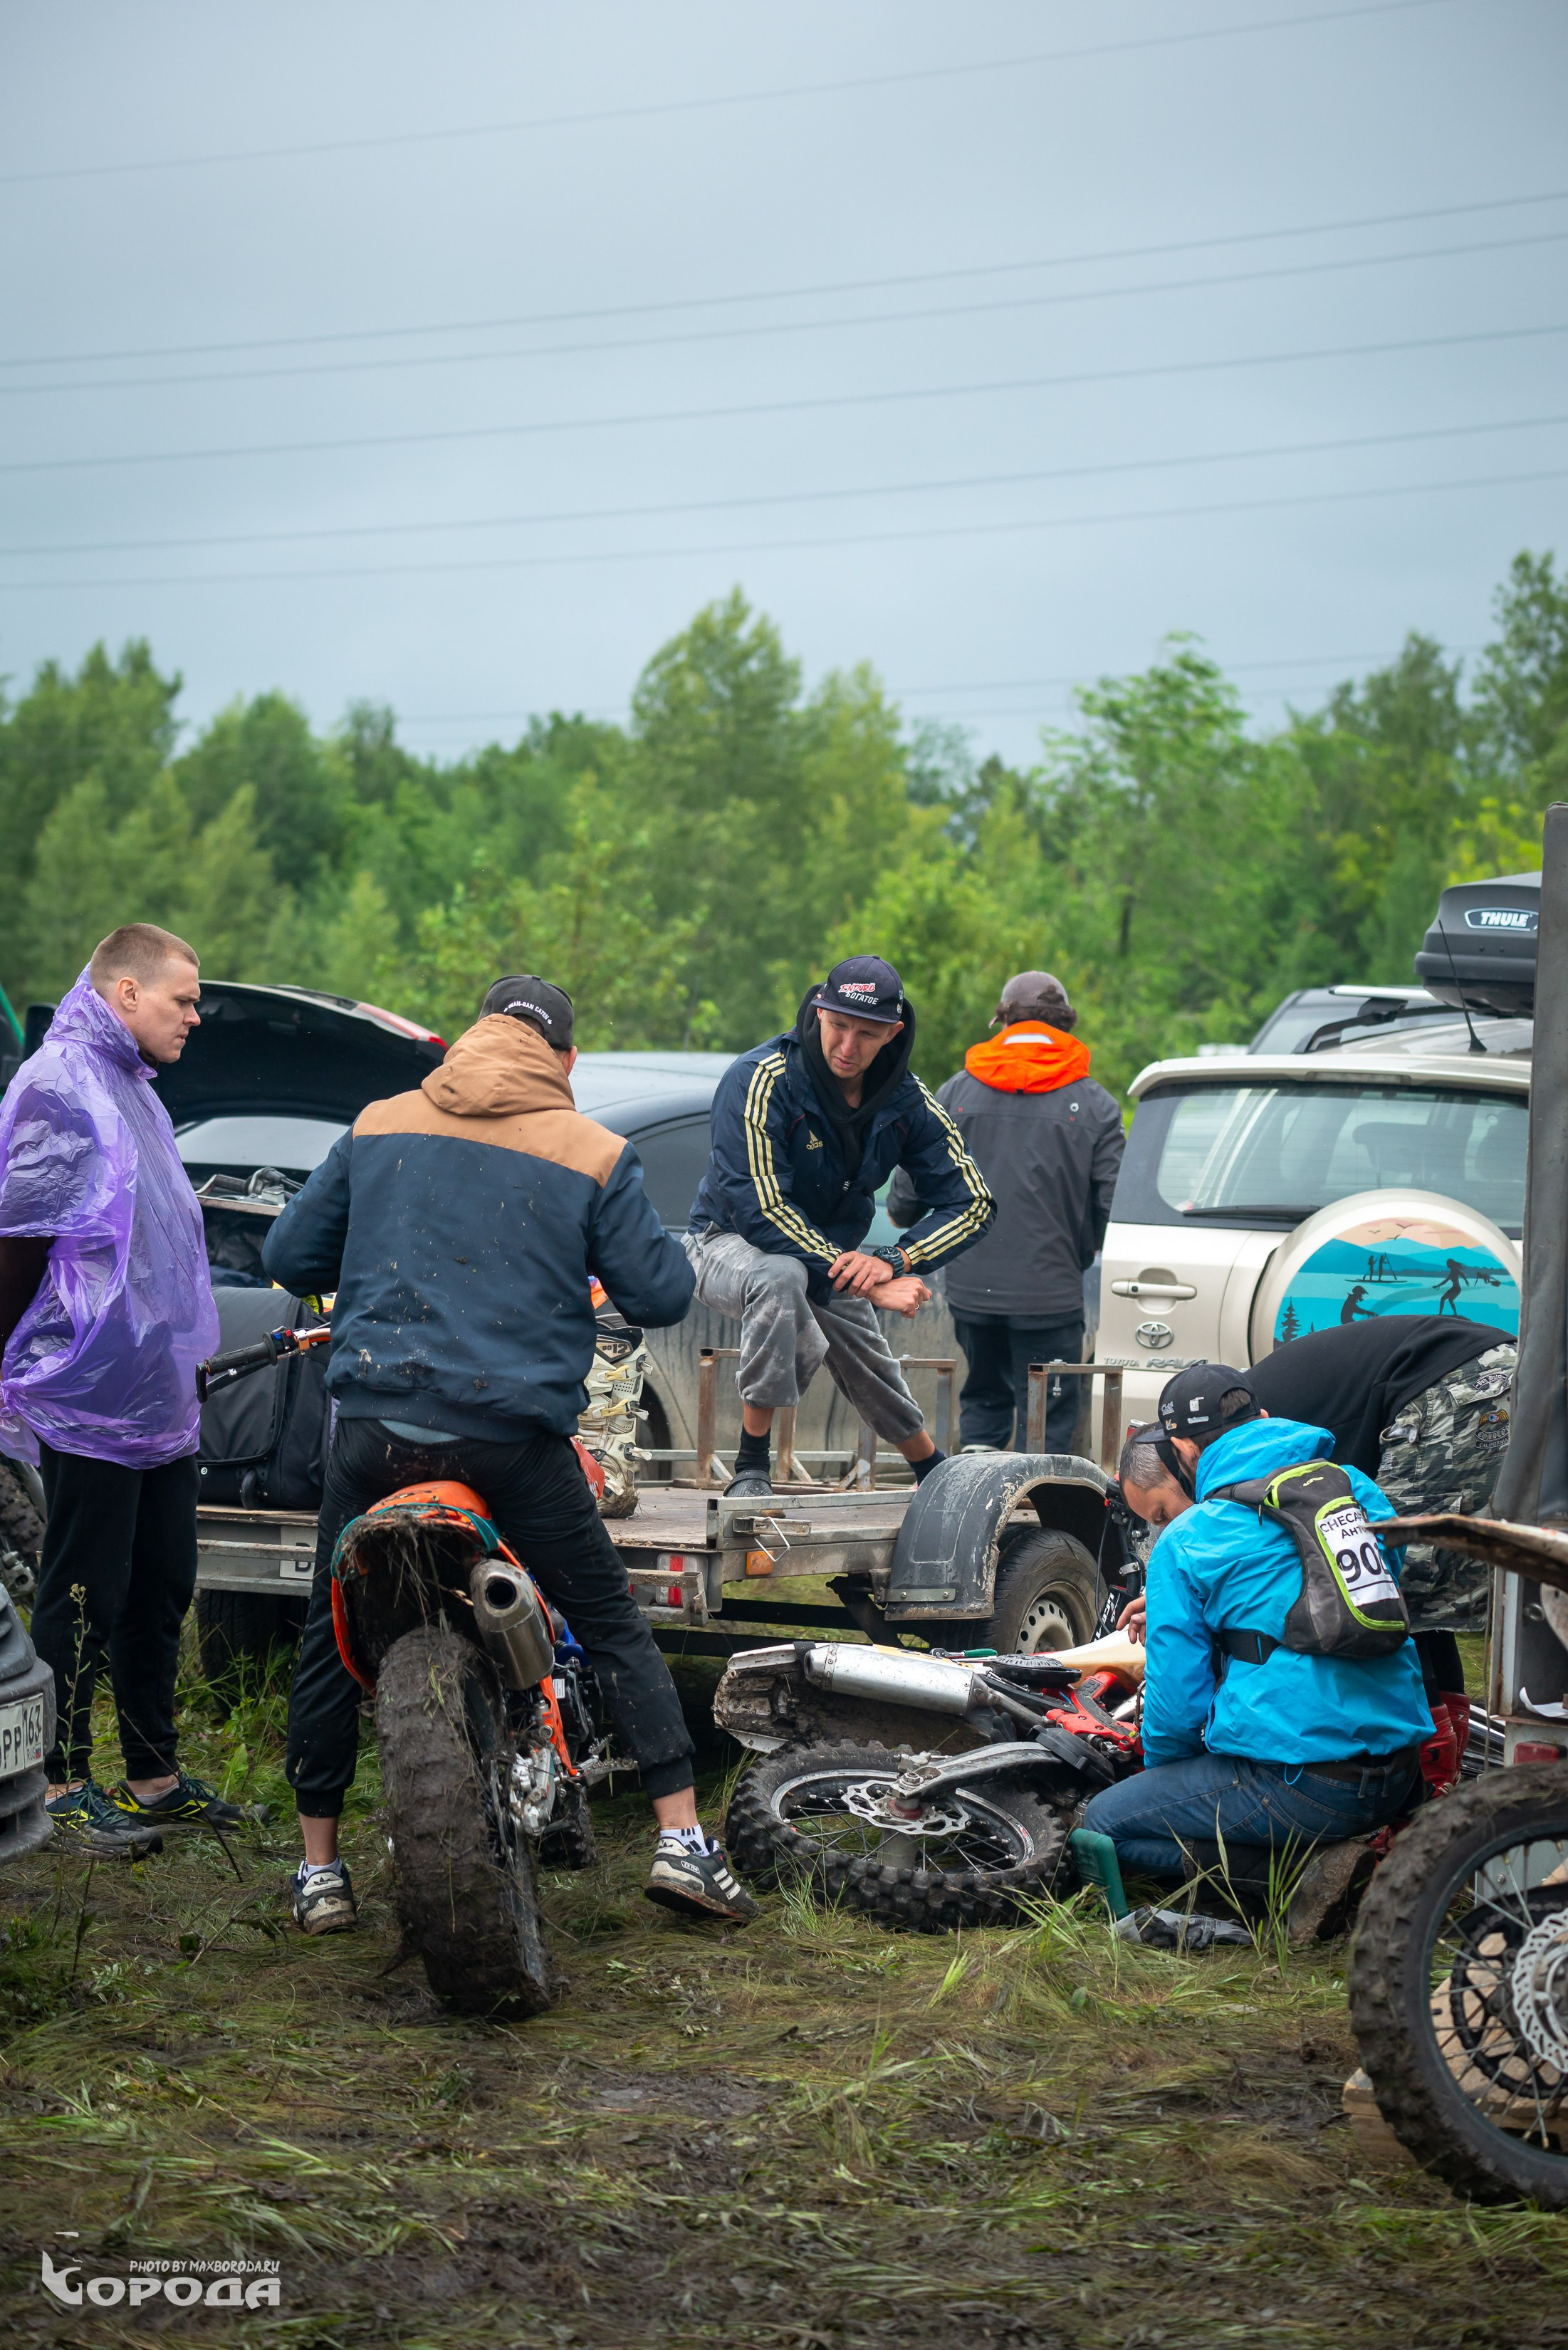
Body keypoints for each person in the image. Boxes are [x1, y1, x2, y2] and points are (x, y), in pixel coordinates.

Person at [263, 974, 758, 1935]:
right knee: (610, 1622)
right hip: (508, 1445)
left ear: (466, 1039)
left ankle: (318, 1870)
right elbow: (658, 1294)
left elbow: (289, 1257)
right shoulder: (592, 1149)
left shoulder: (376, 1125)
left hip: (372, 1439)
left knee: (329, 1633)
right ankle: (680, 1843)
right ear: (566, 1061)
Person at [0, 926, 246, 1856]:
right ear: (126, 990)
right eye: (182, 1000)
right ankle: (61, 1783)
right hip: (88, 1389)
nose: (195, 1016)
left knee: (160, 1585)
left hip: (156, 1396)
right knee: (82, 1590)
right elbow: (20, 1239)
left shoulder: (131, 1087)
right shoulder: (61, 1087)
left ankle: (154, 1774)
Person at [1082, 1364, 1432, 1928]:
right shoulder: (1356, 1488)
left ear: (1181, 1450)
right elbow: (1354, 1592)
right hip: (1396, 1773)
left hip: (1305, 1786)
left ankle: (1308, 1878)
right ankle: (1347, 1850)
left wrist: (1168, 1781)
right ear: (1263, 1418)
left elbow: (1175, 1711)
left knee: (1100, 1825)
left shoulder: (1190, 1540)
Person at [684, 956, 994, 1498]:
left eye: (867, 1034)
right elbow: (759, 1210)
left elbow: (974, 1203)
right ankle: (752, 1465)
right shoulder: (760, 1079)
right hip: (724, 1242)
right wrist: (869, 1281)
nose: (847, 1047)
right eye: (838, 1026)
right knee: (782, 1278)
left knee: (862, 1346)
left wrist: (895, 1260)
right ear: (819, 1012)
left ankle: (932, 1470)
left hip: (827, 1256)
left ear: (892, 1034)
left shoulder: (909, 1101)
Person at [1119, 1315, 1513, 1693]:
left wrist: (1181, 1606)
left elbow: (1264, 1570)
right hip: (1494, 1367)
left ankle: (1428, 1744)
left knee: (1376, 1589)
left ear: (1182, 1453)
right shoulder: (1237, 1414)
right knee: (1384, 1580)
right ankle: (1438, 1728)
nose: (1171, 1527)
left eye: (1164, 1514)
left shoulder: (1243, 1443)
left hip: (1456, 1386)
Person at [887, 969, 1122, 1453]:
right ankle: (1043, 1518)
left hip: (973, 1293)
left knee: (985, 1400)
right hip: (1052, 1296)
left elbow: (905, 1202)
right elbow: (1111, 1208)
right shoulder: (1095, 1105)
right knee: (1048, 1420)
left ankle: (979, 1507)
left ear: (1003, 1020)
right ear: (1067, 1026)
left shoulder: (955, 1092)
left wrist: (906, 1213)